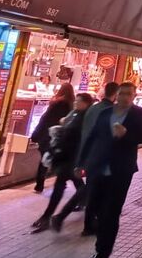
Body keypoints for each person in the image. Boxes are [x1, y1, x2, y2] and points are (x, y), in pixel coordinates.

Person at [77, 82, 142, 258]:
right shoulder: (105, 113)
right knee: (94, 206)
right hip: (97, 167)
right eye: (122, 93)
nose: (125, 97)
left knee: (111, 212)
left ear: (134, 96)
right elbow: (92, 137)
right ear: (116, 95)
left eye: (129, 94)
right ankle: (100, 235)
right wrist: (80, 163)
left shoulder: (140, 114)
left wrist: (126, 135)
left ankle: (102, 251)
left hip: (120, 170)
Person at [53, 82, 120, 235]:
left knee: (90, 189)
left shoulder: (93, 108)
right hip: (99, 156)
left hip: (87, 154)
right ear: (115, 94)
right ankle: (66, 218)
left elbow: (86, 133)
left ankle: (87, 222)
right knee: (89, 189)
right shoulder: (108, 111)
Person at [31, 92, 94, 233]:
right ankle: (81, 204)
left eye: (79, 102)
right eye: (76, 101)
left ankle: (50, 217)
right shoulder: (75, 113)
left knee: (60, 186)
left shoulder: (86, 117)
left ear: (86, 103)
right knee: (75, 184)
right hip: (66, 156)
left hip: (73, 157)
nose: (76, 103)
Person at [31, 83, 75, 192]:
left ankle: (40, 184)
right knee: (55, 159)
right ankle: (60, 180)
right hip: (61, 137)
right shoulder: (71, 106)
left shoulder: (56, 104)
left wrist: (35, 134)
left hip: (48, 135)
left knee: (44, 160)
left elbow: (44, 120)